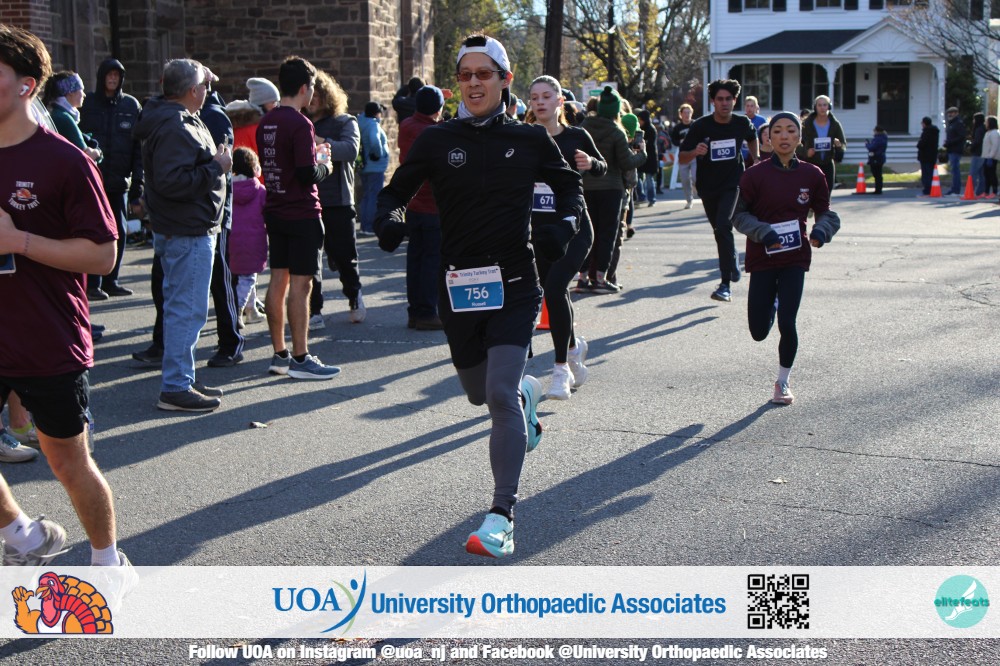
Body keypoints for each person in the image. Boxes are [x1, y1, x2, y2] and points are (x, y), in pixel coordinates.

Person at [373, 34, 584, 558]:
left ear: (505, 80)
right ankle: (527, 393)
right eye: (465, 75)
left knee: (497, 395)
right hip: (459, 287)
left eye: (483, 74)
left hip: (515, 282)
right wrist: (390, 216)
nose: (473, 83)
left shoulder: (530, 140)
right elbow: (397, 190)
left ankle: (502, 516)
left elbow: (569, 189)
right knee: (479, 393)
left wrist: (562, 226)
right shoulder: (437, 139)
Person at [0, 23, 133, 568]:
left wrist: (19, 242)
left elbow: (102, 256)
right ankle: (23, 536)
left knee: (67, 462)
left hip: (46, 337)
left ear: (26, 85)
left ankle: (109, 564)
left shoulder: (63, 161)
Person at [135, 59, 231, 411]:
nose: (208, 90)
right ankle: (176, 385)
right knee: (187, 310)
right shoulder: (175, 125)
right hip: (187, 229)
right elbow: (173, 182)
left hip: (184, 226)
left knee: (185, 308)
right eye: (205, 86)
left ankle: (182, 377)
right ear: (192, 90)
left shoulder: (173, 116)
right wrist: (216, 167)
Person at [732, 112, 841, 405]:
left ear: (799, 137)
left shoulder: (812, 174)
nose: (783, 136)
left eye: (791, 130)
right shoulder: (754, 175)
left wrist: (822, 230)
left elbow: (827, 213)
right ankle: (772, 304)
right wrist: (763, 232)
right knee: (758, 331)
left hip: (795, 257)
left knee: (788, 321)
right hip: (762, 256)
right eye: (777, 130)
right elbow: (738, 215)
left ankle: (783, 382)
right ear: (768, 137)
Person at [257, 56, 341, 380]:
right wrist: (326, 165)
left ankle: (280, 354)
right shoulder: (301, 124)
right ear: (305, 88)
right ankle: (301, 357)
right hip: (302, 212)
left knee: (278, 279)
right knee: (302, 285)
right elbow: (307, 174)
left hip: (276, 208)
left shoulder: (267, 121)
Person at [525, 75, 602, 400]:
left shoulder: (576, 136)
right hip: (541, 232)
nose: (540, 102)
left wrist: (591, 162)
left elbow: (602, 166)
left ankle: (560, 371)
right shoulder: (526, 137)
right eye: (534, 97)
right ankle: (573, 349)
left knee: (555, 289)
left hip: (575, 229)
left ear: (559, 102)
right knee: (553, 293)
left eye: (546, 96)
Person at [678, 79, 758, 303]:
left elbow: (752, 137)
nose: (724, 103)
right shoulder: (701, 126)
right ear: (713, 101)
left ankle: (725, 284)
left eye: (728, 99)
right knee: (719, 230)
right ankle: (731, 261)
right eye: (720, 99)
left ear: (734, 100)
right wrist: (695, 151)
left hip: (733, 184)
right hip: (708, 187)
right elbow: (682, 157)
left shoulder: (741, 123)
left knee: (724, 225)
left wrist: (757, 159)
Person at [78, 58, 144, 299]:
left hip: (119, 182)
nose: (113, 79)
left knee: (119, 232)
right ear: (102, 77)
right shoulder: (88, 104)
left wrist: (138, 183)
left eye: (117, 75)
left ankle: (111, 280)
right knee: (94, 231)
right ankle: (92, 283)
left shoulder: (131, 105)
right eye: (109, 75)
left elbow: (138, 148)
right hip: (93, 180)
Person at [306, 69, 365, 327]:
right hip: (309, 200)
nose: (312, 100)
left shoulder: (344, 122)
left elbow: (350, 150)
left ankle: (354, 295)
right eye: (310, 94)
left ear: (327, 96)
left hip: (338, 200)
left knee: (345, 257)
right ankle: (314, 310)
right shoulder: (301, 122)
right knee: (311, 261)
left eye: (317, 95)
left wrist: (321, 141)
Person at [578, 86, 645, 293]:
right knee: (607, 234)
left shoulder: (584, 127)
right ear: (616, 110)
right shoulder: (616, 132)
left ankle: (582, 278)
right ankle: (600, 278)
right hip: (611, 188)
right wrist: (642, 154)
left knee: (587, 233)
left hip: (586, 186)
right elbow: (627, 163)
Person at [398, 84, 447, 330]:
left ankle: (415, 311)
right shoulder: (435, 133)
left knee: (415, 259)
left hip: (413, 202)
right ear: (438, 109)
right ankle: (427, 311)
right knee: (431, 261)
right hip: (432, 204)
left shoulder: (406, 125)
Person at [229, 147, 268, 323]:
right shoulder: (260, 191)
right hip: (254, 242)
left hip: (232, 241)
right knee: (248, 278)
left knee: (244, 277)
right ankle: (237, 310)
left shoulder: (228, 190)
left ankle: (251, 311)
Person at [41, 71, 101, 163]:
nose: (84, 94)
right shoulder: (63, 118)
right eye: (81, 90)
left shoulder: (56, 113)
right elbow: (87, 156)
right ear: (70, 92)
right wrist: (97, 153)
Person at [799, 95, 846, 194]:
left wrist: (838, 146)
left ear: (829, 106)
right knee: (811, 193)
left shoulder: (835, 124)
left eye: (825, 105)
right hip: (811, 163)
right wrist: (806, 152)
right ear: (815, 107)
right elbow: (797, 143)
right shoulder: (806, 124)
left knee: (826, 192)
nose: (822, 108)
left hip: (828, 163)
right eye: (819, 105)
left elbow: (842, 144)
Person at [357, 101, 389, 236]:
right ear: (377, 113)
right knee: (374, 196)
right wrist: (378, 154)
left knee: (366, 196)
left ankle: (364, 225)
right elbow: (374, 140)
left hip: (364, 165)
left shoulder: (361, 122)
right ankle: (370, 226)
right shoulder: (372, 124)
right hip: (374, 166)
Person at [670, 103, 697, 209]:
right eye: (685, 112)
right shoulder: (677, 128)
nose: (687, 114)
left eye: (688, 112)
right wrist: (679, 142)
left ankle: (696, 187)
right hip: (683, 156)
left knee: (695, 177)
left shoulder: (695, 124)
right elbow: (673, 140)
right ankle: (689, 200)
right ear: (681, 114)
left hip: (695, 154)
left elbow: (702, 136)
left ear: (691, 113)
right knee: (685, 179)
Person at [636, 109, 659, 207]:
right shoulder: (638, 129)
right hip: (640, 156)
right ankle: (641, 196)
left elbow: (650, 144)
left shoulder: (651, 129)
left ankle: (651, 198)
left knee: (649, 179)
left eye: (640, 119)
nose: (639, 121)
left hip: (650, 157)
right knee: (637, 177)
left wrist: (642, 145)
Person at [943, 107, 965, 196]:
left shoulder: (958, 123)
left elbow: (961, 136)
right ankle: (954, 189)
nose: (950, 114)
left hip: (956, 150)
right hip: (951, 149)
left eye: (952, 112)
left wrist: (950, 142)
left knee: (955, 170)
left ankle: (956, 190)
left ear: (956, 113)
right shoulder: (951, 123)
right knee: (953, 170)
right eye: (949, 113)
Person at [916, 116, 939, 197]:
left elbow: (922, 144)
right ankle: (931, 188)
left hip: (925, 156)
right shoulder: (935, 131)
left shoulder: (926, 132)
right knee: (931, 173)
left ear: (924, 123)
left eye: (922, 123)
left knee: (926, 174)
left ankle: (927, 190)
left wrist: (919, 144)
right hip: (932, 155)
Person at [742, 95, 767, 160]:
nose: (749, 108)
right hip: (744, 154)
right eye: (747, 106)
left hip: (758, 153)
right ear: (745, 107)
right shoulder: (741, 120)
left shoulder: (762, 120)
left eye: (752, 106)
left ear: (756, 107)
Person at [865, 126, 888, 195]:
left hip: (876, 158)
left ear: (877, 131)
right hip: (879, 158)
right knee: (878, 174)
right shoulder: (883, 138)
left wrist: (867, 144)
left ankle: (878, 190)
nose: (874, 132)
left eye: (874, 131)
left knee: (876, 174)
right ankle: (878, 189)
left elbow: (872, 147)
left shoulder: (878, 139)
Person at [982, 116, 999, 198]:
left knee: (992, 175)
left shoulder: (994, 133)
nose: (985, 123)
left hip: (992, 157)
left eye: (987, 122)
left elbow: (995, 146)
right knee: (986, 175)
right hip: (986, 156)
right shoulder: (988, 132)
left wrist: (990, 156)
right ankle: (986, 191)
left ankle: (995, 192)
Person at [969, 112, 986, 197]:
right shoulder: (984, 128)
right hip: (983, 153)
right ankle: (980, 191)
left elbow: (977, 141)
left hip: (977, 153)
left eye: (974, 119)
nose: (973, 121)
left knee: (973, 173)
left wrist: (971, 147)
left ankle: (970, 191)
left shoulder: (979, 129)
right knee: (981, 174)